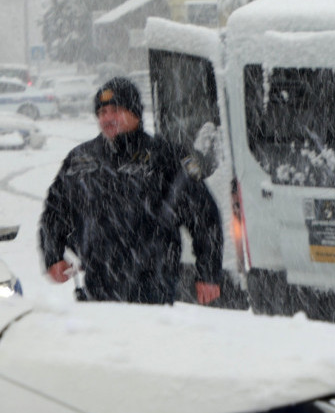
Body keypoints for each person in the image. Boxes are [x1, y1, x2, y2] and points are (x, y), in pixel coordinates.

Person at [39, 76, 223, 305]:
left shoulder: (166, 157)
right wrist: (52, 256)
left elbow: (205, 218)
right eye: (102, 112)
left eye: (115, 110)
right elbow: (54, 212)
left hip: (154, 287)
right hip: (98, 287)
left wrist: (208, 274)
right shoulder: (81, 160)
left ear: (135, 112)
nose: (107, 118)